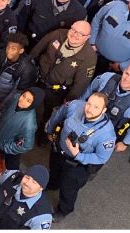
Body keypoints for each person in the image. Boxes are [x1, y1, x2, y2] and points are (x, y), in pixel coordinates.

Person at [45, 93, 116, 221]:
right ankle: (52, 185)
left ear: (104, 110)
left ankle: (64, 210)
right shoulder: (75, 105)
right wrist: (50, 130)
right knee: (54, 172)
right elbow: (58, 114)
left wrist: (79, 155)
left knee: (68, 190)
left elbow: (101, 158)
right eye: (89, 103)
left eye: (96, 107)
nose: (89, 109)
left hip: (77, 166)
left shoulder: (107, 135)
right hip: (59, 151)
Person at [31, 21, 97, 133]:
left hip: (56, 92)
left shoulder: (89, 56)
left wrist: (69, 99)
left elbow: (81, 83)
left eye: (80, 34)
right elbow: (38, 48)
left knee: (47, 116)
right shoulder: (58, 34)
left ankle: (42, 135)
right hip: (38, 78)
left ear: (88, 37)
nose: (75, 35)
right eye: (73, 30)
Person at [78, 64, 130, 152]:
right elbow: (90, 89)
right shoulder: (107, 78)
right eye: (127, 73)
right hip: (86, 120)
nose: (127, 79)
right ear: (124, 71)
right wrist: (78, 106)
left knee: (93, 159)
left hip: (107, 134)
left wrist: (125, 143)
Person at [18, 0, 87, 42]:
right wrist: (19, 38)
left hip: (49, 47)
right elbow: (23, 18)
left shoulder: (79, 12)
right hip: (27, 39)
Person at [0, 88, 44, 170]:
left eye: (28, 101)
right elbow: (4, 114)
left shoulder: (29, 124)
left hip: (4, 148)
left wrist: (5, 147)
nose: (22, 100)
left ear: (33, 104)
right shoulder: (16, 98)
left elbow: (26, 145)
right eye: (23, 95)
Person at [0, 165, 54, 229]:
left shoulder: (42, 216)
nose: (27, 183)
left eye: (34, 182)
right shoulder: (13, 178)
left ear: (41, 188)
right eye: (27, 177)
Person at [0, 33, 37, 105]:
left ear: (21, 51)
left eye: (13, 49)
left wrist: (0, 107)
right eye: (8, 47)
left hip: (5, 102)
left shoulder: (27, 69)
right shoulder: (0, 55)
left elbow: (16, 93)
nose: (9, 51)